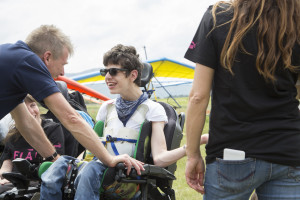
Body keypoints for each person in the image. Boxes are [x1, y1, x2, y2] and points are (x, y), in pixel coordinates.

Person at [40, 44, 196, 200]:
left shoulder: (153, 110)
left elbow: (160, 158)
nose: (108, 77)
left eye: (113, 72)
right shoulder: (106, 108)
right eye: (105, 72)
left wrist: (192, 146)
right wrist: (74, 163)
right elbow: (93, 145)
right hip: (98, 167)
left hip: (127, 178)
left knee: (91, 169)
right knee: (57, 166)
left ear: (133, 75)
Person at [184, 0, 300, 199]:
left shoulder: (217, 16)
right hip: (289, 151)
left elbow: (198, 97)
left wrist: (193, 155)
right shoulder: (294, 20)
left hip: (232, 153)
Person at [0, 25, 143, 174]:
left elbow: (26, 123)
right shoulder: (28, 61)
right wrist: (109, 159)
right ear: (47, 57)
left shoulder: (12, 58)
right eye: (63, 64)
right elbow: (70, 118)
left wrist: (54, 158)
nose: (62, 72)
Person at [0, 95, 64, 193]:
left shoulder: (52, 129)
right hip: (12, 182)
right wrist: (4, 176)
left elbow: (52, 165)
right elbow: (6, 164)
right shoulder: (13, 134)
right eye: (24, 109)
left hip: (38, 181)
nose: (31, 111)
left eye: (33, 105)